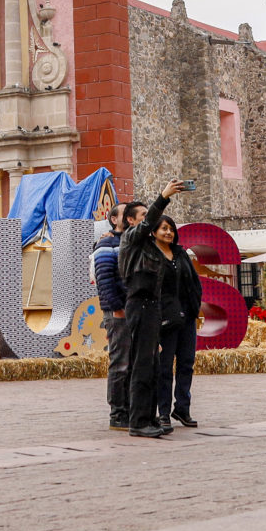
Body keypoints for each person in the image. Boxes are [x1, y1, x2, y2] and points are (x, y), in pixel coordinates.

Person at [118, 179, 187, 439]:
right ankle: (138, 421)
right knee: (143, 364)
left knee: (153, 365)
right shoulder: (130, 239)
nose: (149, 219)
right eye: (143, 215)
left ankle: (148, 417)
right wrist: (163, 197)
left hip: (152, 306)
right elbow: (149, 224)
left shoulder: (148, 245)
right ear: (131, 221)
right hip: (141, 304)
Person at [95, 199, 146, 429]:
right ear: (114, 219)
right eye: (125, 214)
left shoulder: (138, 242)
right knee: (121, 362)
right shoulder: (107, 243)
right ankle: (118, 412)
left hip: (137, 310)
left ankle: (134, 409)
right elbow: (104, 279)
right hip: (119, 312)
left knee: (135, 362)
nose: (128, 217)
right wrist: (117, 308)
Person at [155, 216, 203, 428]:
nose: (168, 233)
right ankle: (163, 413)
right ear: (154, 231)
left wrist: (194, 306)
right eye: (164, 228)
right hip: (165, 319)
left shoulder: (181, 253)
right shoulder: (151, 255)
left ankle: (182, 408)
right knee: (164, 368)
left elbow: (194, 282)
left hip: (187, 317)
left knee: (186, 364)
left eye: (171, 229)